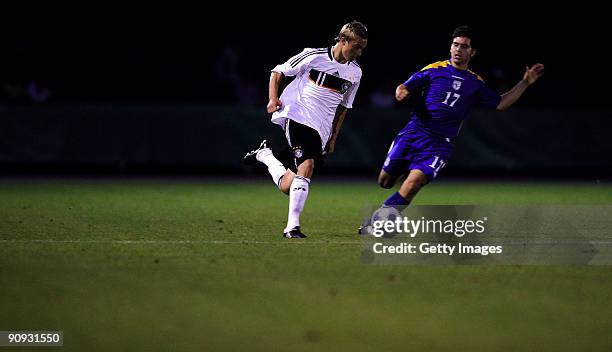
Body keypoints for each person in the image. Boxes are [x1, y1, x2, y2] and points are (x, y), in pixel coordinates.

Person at [360, 25, 544, 234]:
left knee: (415, 182)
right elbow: (404, 86)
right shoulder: (434, 69)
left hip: (440, 144)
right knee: (384, 181)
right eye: (455, 45)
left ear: (472, 52)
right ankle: (389, 207)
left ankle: (381, 220)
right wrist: (400, 92)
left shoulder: (475, 83)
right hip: (413, 133)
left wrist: (525, 82)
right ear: (450, 47)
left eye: (464, 46)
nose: (458, 50)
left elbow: (500, 104)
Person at [244, 21, 368, 238]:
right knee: (307, 165)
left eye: (362, 48)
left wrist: (332, 138)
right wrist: (273, 99)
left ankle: (265, 155)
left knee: (287, 185)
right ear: (342, 40)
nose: (359, 52)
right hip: (297, 114)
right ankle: (292, 227)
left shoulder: (355, 73)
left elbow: (343, 108)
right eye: (356, 46)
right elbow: (278, 72)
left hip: (321, 128)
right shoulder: (314, 56)